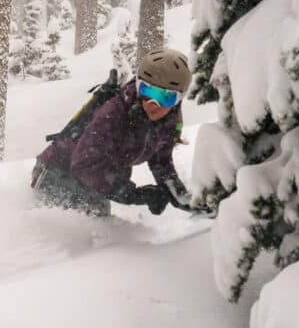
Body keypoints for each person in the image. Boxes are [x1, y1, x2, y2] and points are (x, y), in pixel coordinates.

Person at [32, 48, 193, 217]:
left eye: (166, 97)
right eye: (147, 91)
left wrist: (179, 195)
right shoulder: (114, 114)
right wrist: (137, 195)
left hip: (97, 175)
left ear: (179, 99)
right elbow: (84, 166)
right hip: (58, 172)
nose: (153, 103)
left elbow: (160, 159)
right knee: (75, 235)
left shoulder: (169, 121)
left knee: (97, 229)